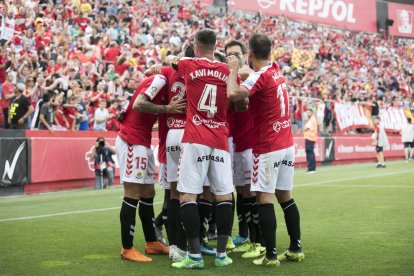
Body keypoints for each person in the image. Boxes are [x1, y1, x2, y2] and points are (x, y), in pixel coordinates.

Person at [227, 33, 304, 266]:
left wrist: (232, 70)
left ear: (249, 54)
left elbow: (233, 94)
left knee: (264, 198)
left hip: (268, 146)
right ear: (270, 53)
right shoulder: (276, 69)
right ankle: (295, 248)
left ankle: (270, 255)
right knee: (285, 196)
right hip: (287, 144)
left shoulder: (259, 76)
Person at [171, 29, 234, 269]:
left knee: (188, 195)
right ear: (216, 45)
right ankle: (221, 255)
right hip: (219, 138)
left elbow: (173, 61)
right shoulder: (227, 70)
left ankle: (195, 256)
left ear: (196, 46)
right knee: (224, 194)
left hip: (196, 137)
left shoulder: (188, 63)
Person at [115, 74, 185, 263]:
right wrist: (167, 108)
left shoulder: (163, 82)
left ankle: (152, 242)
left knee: (148, 192)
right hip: (132, 140)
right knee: (132, 193)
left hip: (142, 140)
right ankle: (127, 248)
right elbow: (139, 103)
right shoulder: (161, 80)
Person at [304, 109, 318, 173]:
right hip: (312, 137)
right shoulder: (313, 119)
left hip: (309, 137)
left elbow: (306, 127)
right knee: (311, 153)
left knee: (309, 153)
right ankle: (312, 168)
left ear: (312, 113)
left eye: (309, 112)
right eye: (307, 112)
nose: (307, 114)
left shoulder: (311, 120)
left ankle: (311, 168)